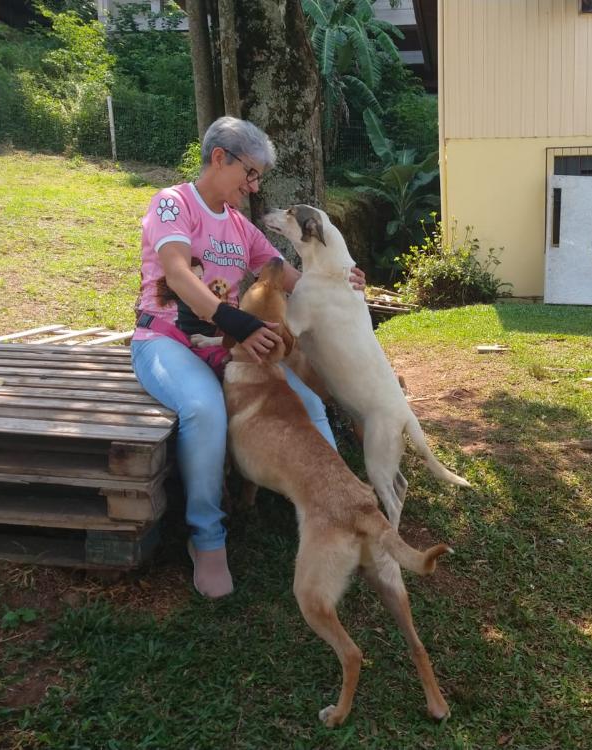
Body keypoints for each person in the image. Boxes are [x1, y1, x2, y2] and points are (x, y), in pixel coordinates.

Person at [130, 116, 365, 599]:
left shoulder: (240, 228)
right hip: (166, 342)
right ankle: (207, 538)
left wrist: (344, 283)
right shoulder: (173, 205)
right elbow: (176, 273)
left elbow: (295, 282)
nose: (254, 186)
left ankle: (345, 510)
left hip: (229, 348)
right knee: (203, 410)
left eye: (257, 176)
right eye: (251, 173)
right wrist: (236, 321)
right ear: (221, 158)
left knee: (311, 407)